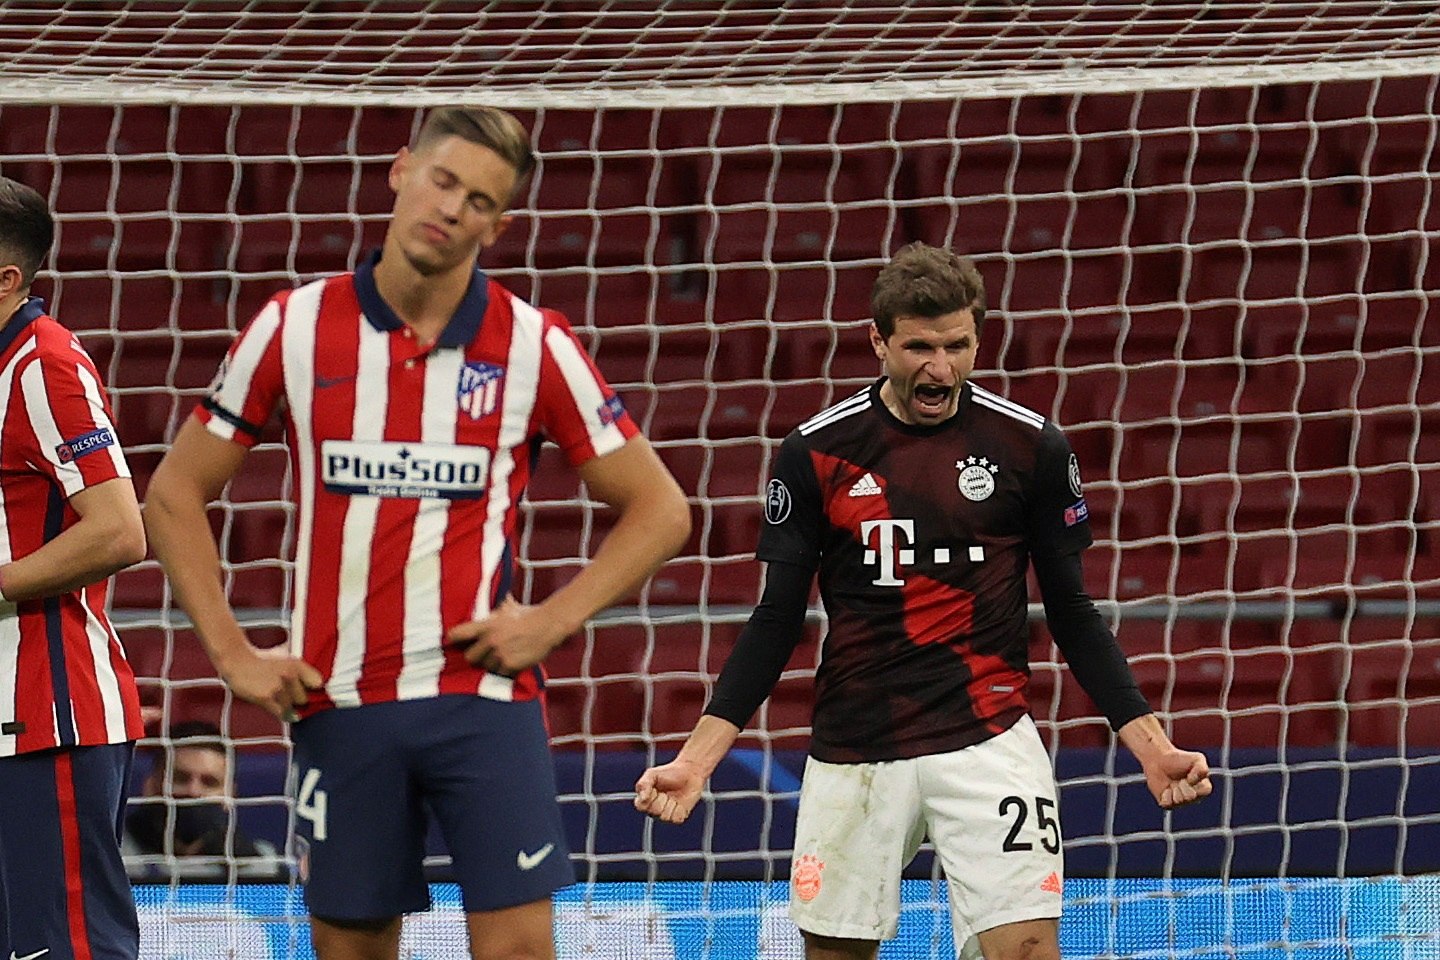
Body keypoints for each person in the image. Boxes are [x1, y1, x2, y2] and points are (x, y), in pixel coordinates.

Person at [143, 107, 691, 960]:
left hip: (482, 703)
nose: (452, 208)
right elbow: (175, 491)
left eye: (479, 200)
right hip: (340, 700)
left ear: (499, 224)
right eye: (443, 180)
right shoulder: (293, 326)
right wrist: (232, 656)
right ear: (401, 172)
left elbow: (662, 510)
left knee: (517, 949)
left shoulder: (534, 343)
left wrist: (549, 621)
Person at [634, 242, 1213, 960]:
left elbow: (1072, 612)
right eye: (918, 348)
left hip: (990, 740)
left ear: (978, 338)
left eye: (957, 346)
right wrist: (696, 760)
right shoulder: (817, 453)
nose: (939, 369)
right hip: (858, 747)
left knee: (1030, 950)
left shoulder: (1032, 447)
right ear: (878, 341)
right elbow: (776, 620)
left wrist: (1150, 748)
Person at [0, 177, 148, 960]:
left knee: (67, 950)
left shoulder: (44, 365)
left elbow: (122, 532)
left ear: (7, 277)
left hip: (47, 716)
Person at [122, 720, 282, 879]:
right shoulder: (113, 858)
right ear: (150, 786)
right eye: (180, 778)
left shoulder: (258, 864)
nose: (193, 791)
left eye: (209, 782)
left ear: (230, 796)